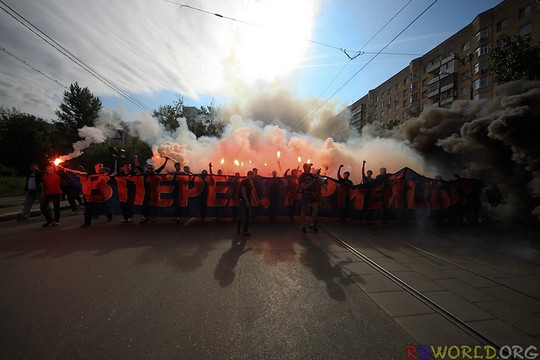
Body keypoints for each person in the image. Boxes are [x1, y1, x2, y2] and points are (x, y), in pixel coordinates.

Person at [299, 163, 319, 233]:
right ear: (304, 167)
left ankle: (312, 224)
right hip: (305, 195)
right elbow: (304, 187)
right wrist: (312, 183)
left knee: (316, 209)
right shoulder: (302, 176)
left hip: (311, 195)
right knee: (303, 210)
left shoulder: (311, 175)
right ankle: (302, 226)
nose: (309, 168)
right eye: (308, 167)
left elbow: (317, 178)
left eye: (309, 167)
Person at [236, 170, 254, 236]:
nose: (254, 176)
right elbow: (243, 191)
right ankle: (238, 226)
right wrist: (246, 201)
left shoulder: (250, 182)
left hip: (247, 201)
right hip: (242, 201)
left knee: (248, 216)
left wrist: (254, 200)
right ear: (249, 175)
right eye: (253, 175)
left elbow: (250, 192)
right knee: (242, 215)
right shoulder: (244, 181)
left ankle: (245, 230)